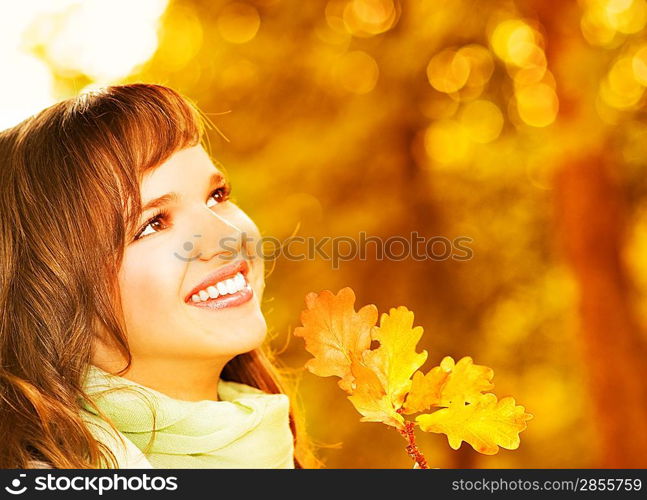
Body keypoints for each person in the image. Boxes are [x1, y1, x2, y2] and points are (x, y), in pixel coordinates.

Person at [0, 83, 318, 469]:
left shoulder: (270, 446)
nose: (228, 236)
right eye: (152, 224)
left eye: (216, 195)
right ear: (51, 299)